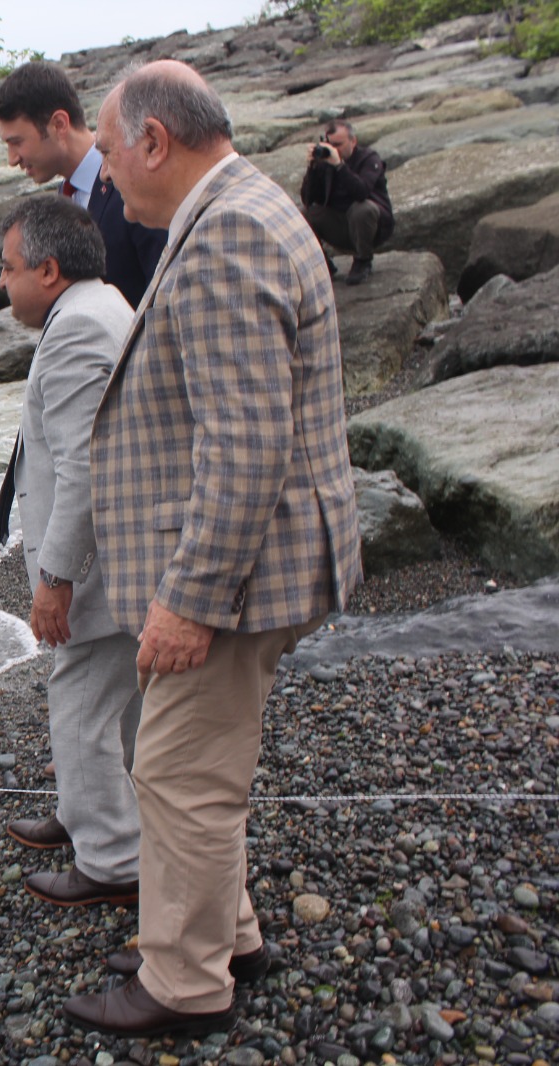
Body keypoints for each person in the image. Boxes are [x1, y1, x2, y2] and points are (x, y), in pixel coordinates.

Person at [66, 62, 362, 1037]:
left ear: (154, 140)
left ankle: (185, 982)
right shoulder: (242, 205)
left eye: (107, 153)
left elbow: (246, 444)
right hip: (262, 558)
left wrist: (188, 599)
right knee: (202, 761)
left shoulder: (227, 229)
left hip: (238, 572)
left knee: (179, 770)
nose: (105, 178)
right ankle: (224, 933)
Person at [0, 194, 143, 908]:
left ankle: (112, 862)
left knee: (81, 703)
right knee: (117, 705)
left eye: (8, 268)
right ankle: (101, 822)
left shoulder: (80, 327)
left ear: (48, 270)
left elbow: (86, 467)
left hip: (99, 567)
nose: (3, 283)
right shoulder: (102, 303)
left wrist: (55, 577)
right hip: (116, 559)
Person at [0, 61, 166, 310]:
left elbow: (165, 293)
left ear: (59, 124)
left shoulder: (133, 184)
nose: (12, 159)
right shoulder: (65, 196)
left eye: (16, 142)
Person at [300, 118, 393, 285]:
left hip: (372, 228)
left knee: (362, 209)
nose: (334, 150)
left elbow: (361, 192)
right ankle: (323, 263)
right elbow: (308, 200)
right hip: (340, 225)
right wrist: (312, 168)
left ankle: (363, 260)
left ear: (353, 141)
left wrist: (339, 166)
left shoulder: (369, 159)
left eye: (339, 145)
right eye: (330, 145)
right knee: (303, 215)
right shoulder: (325, 162)